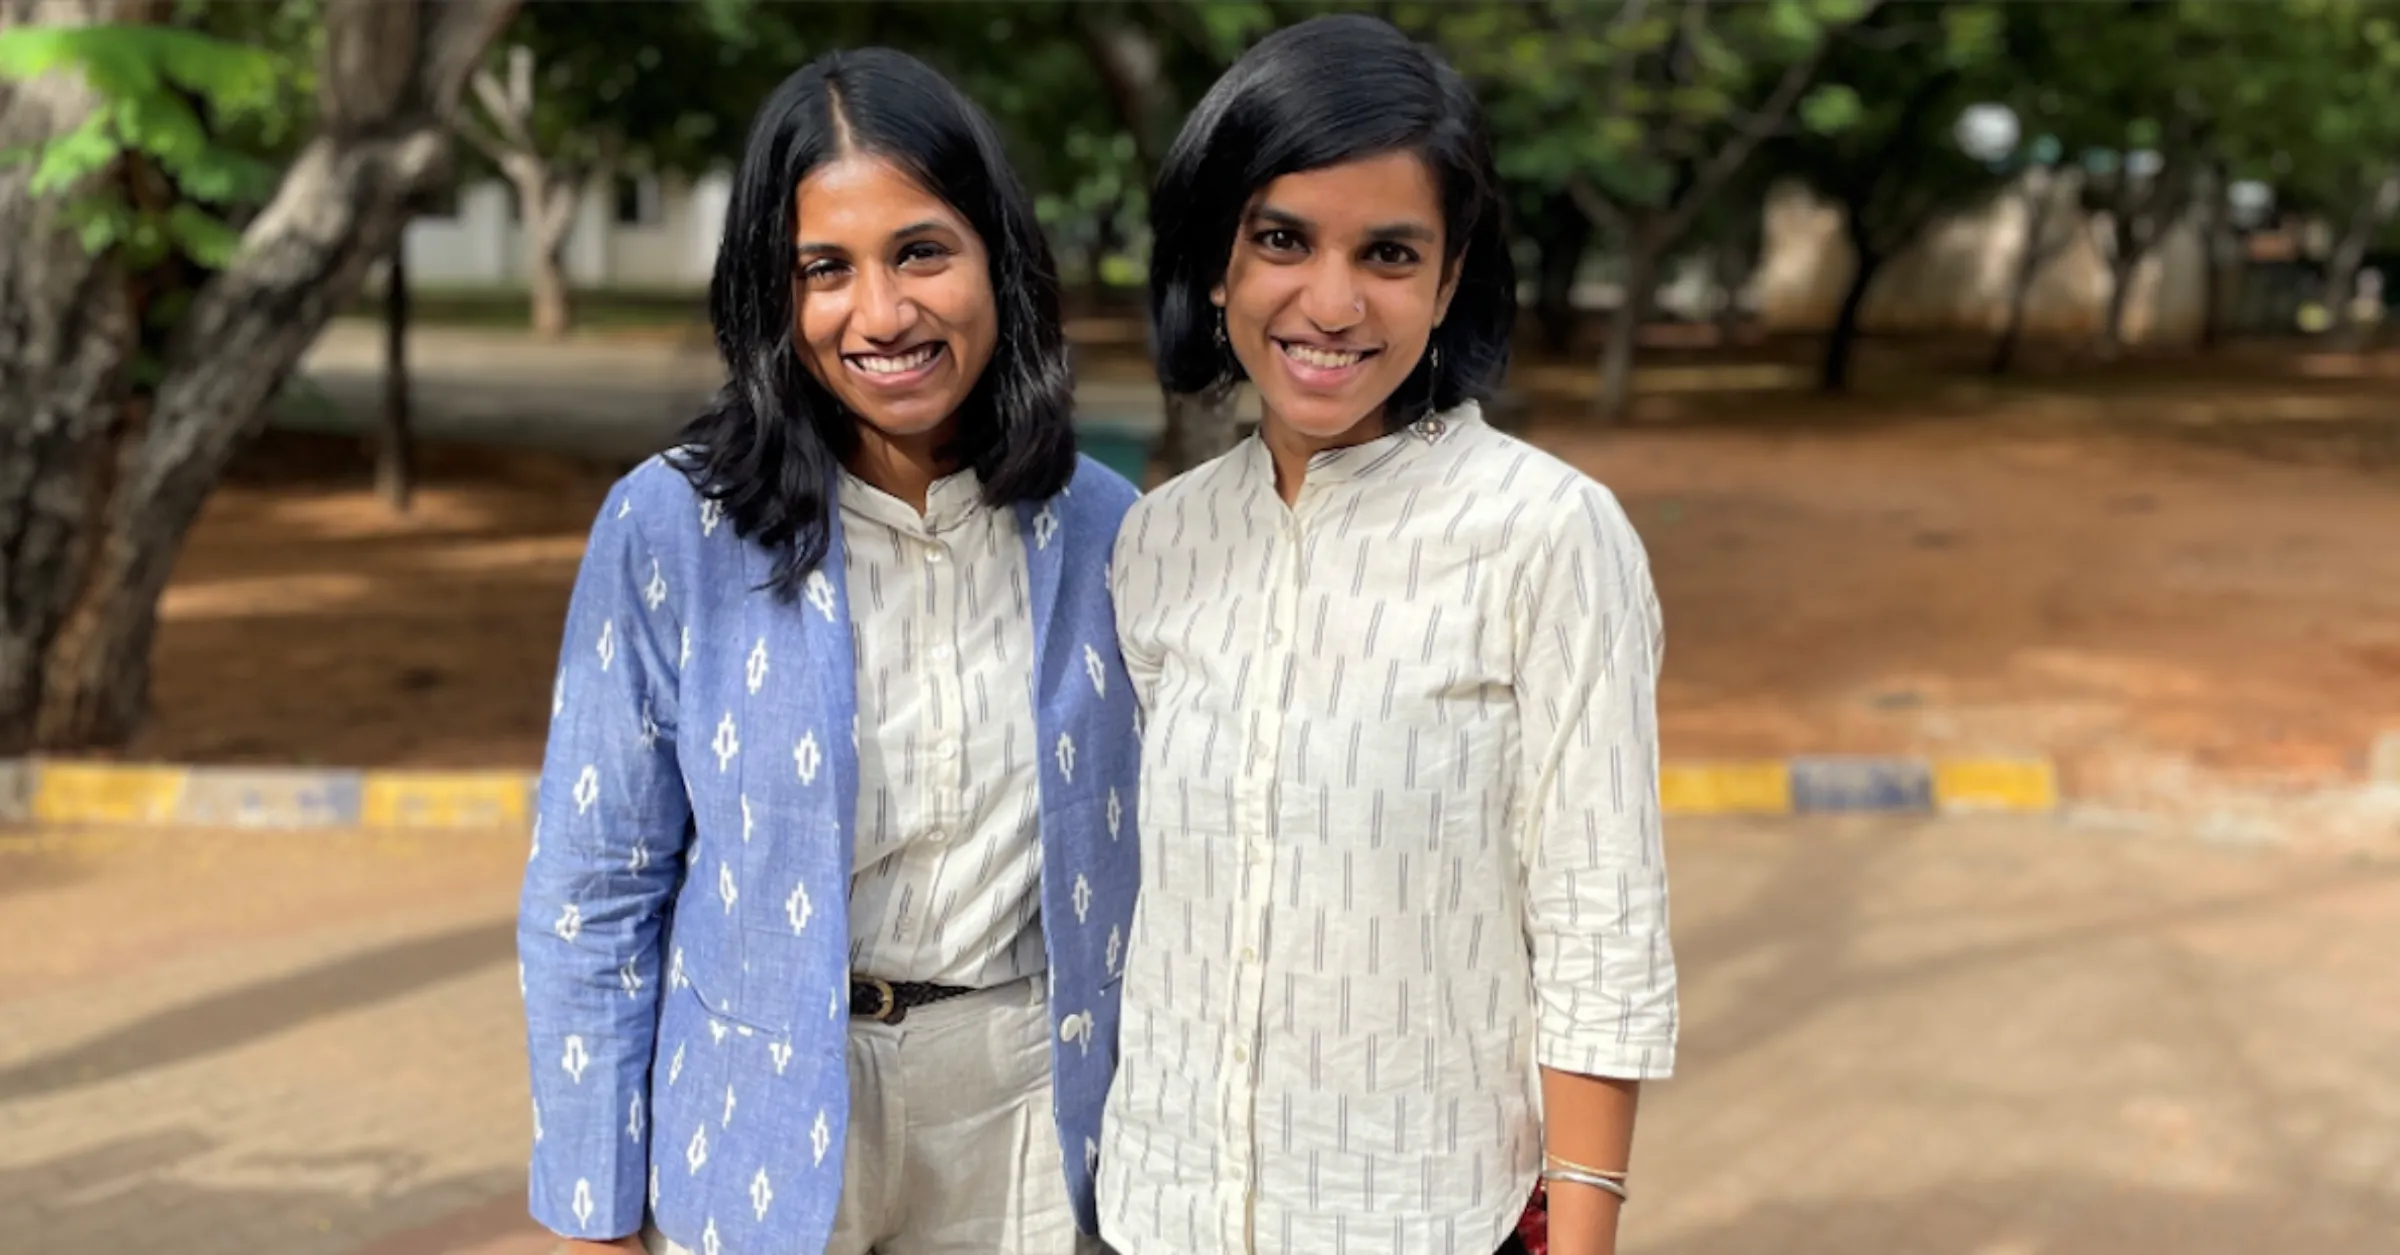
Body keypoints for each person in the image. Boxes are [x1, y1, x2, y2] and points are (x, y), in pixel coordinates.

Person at [517, 47, 1140, 1255]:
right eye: (825, 270)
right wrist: (592, 1210)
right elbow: (594, 889)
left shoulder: (1109, 530)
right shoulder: (672, 528)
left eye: (921, 251)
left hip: (1025, 1109)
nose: (882, 313)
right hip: (756, 1113)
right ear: (772, 294)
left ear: (997, 260)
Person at [1097, 15, 1678, 1255]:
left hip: (1424, 1217)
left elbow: (1600, 921)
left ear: (1449, 278)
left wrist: (1581, 1232)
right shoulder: (1161, 540)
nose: (1332, 300)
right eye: (1281, 240)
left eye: (1390, 252)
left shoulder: (1549, 535)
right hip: (1162, 1212)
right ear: (1216, 261)